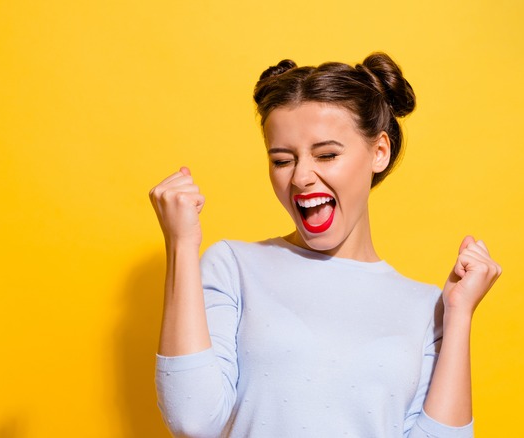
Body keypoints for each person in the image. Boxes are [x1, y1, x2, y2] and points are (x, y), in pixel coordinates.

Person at [148, 52, 501, 438]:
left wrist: (460, 314)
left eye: (327, 155)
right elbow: (192, 419)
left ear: (379, 152)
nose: (301, 177)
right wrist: (181, 244)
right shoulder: (234, 266)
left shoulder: (425, 306)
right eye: (282, 160)